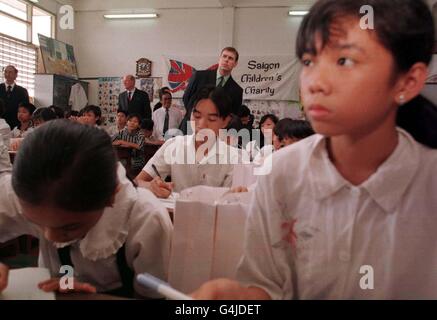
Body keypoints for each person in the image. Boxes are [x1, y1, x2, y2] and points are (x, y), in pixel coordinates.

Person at [191, 0, 437, 300]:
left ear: (408, 81)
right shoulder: (281, 173)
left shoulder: (428, 184)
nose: (315, 82)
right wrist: (237, 300)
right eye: (309, 62)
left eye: (345, 61)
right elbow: (265, 285)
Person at [0, 119, 172, 298]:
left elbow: (151, 295)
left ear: (111, 196)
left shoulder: (145, 219)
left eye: (69, 227)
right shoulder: (30, 190)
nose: (50, 236)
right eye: (37, 223)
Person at [135, 86, 241, 199]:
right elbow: (137, 182)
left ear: (225, 121)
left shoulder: (233, 158)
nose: (201, 124)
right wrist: (150, 186)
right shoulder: (174, 146)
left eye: (211, 119)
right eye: (197, 116)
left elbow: (232, 200)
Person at [180, 47, 243, 134]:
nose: (226, 60)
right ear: (219, 59)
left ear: (235, 64)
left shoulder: (237, 91)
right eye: (224, 56)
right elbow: (186, 98)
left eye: (230, 58)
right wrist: (197, 118)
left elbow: (231, 116)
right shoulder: (199, 76)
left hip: (216, 133)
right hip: (190, 127)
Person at [0, 65, 29, 129]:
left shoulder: (22, 91)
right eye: (5, 72)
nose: (7, 74)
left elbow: (26, 109)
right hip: (1, 123)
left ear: (16, 75)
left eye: (10, 72)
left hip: (16, 124)